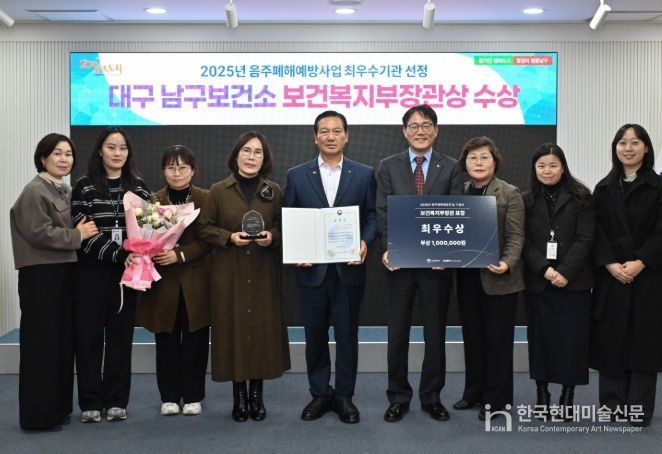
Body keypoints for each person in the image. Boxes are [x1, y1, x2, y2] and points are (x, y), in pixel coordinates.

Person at [283, 110, 377, 424]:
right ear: (315, 137)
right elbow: (289, 217)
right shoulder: (297, 174)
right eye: (324, 131)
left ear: (346, 136)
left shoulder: (364, 174)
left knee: (348, 336)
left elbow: (372, 216)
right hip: (312, 270)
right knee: (315, 336)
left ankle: (345, 396)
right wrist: (296, 249)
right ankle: (320, 393)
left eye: (337, 131)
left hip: (349, 269)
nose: (331, 136)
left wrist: (364, 242)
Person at [377, 104, 463, 422]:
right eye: (413, 126)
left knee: (435, 334)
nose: (420, 131)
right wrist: (388, 247)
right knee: (397, 334)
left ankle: (431, 397)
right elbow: (382, 211)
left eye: (426, 125)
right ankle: (398, 396)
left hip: (436, 267)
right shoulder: (388, 166)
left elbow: (456, 211)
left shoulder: (451, 167)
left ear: (436, 131)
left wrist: (447, 252)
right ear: (404, 131)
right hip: (399, 266)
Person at [198, 131, 290, 422]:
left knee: (261, 332)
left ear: (265, 159)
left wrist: (272, 237)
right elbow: (204, 228)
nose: (251, 157)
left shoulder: (274, 191)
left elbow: (284, 226)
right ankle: (238, 397)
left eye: (258, 152)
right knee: (233, 331)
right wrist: (229, 237)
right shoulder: (217, 190)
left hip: (263, 273)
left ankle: (257, 396)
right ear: (236, 155)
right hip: (229, 273)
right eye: (246, 151)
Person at [10, 134, 98, 430]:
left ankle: (58, 410)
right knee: (42, 346)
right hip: (41, 276)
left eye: (68, 154)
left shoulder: (62, 189)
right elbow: (40, 233)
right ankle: (39, 417)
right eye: (57, 153)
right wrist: (78, 235)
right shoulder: (35, 191)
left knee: (61, 344)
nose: (64, 159)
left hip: (62, 274)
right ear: (43, 158)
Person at [71, 126, 150, 423]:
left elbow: (148, 228)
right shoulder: (84, 186)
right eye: (111, 147)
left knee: (120, 338)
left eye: (123, 148)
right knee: (88, 338)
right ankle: (90, 401)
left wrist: (138, 250)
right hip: (90, 272)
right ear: (100, 151)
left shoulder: (139, 187)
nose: (118, 153)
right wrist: (119, 254)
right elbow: (85, 232)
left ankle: (117, 400)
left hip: (127, 275)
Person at [591, 124, 662, 428]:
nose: (628, 148)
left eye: (635, 142)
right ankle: (611, 404)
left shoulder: (658, 186)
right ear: (615, 148)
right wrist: (610, 264)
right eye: (622, 142)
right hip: (612, 274)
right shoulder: (603, 188)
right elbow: (595, 231)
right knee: (612, 336)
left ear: (646, 148)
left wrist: (641, 261)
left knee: (644, 339)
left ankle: (639, 408)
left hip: (648, 274)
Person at [452, 137, 525, 421]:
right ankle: (474, 392)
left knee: (498, 341)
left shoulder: (509, 192)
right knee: (473, 338)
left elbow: (517, 235)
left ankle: (497, 401)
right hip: (468, 278)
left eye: (484, 157)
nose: (478, 163)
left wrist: (507, 262)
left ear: (495, 161)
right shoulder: (459, 192)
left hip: (499, 278)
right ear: (465, 163)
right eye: (473, 158)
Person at [136, 145, 211, 417]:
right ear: (163, 171)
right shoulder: (153, 201)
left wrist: (179, 254)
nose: (177, 173)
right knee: (166, 341)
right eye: (171, 167)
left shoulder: (205, 198)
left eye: (182, 167)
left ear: (193, 170)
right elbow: (142, 238)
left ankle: (193, 396)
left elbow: (209, 239)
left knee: (195, 341)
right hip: (163, 283)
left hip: (195, 282)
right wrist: (151, 250)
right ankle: (168, 396)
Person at [522, 143, 594, 420]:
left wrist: (564, 272)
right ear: (534, 169)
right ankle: (542, 395)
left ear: (563, 167)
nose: (547, 170)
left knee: (571, 342)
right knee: (540, 342)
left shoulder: (582, 197)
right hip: (539, 283)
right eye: (541, 166)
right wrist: (545, 270)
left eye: (553, 165)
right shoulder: (526, 200)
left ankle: (567, 396)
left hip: (573, 283)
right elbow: (524, 242)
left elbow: (585, 239)